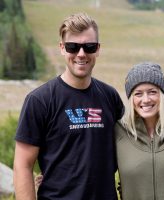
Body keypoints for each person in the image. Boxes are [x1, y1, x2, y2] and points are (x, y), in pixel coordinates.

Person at [13, 13, 124, 200]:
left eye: (89, 47)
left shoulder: (110, 96)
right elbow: (22, 165)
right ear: (62, 48)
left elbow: (136, 139)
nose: (81, 54)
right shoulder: (40, 100)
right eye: (73, 47)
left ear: (98, 49)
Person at [115, 62, 164, 200]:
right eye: (138, 94)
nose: (146, 99)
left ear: (162, 95)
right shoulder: (118, 132)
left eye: (152, 92)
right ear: (131, 99)